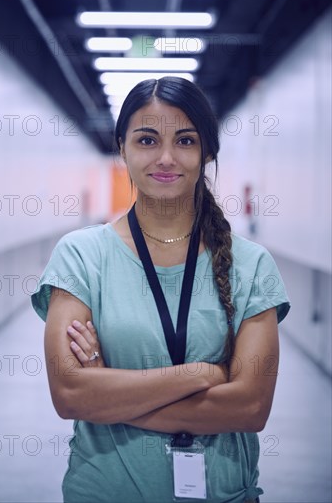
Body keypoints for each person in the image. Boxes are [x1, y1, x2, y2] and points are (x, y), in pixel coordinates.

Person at [31, 76, 290, 503]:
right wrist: (199, 375)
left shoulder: (252, 266)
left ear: (207, 151)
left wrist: (110, 397)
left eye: (185, 141)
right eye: (147, 140)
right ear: (123, 148)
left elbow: (249, 408)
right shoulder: (81, 257)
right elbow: (71, 394)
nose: (166, 158)